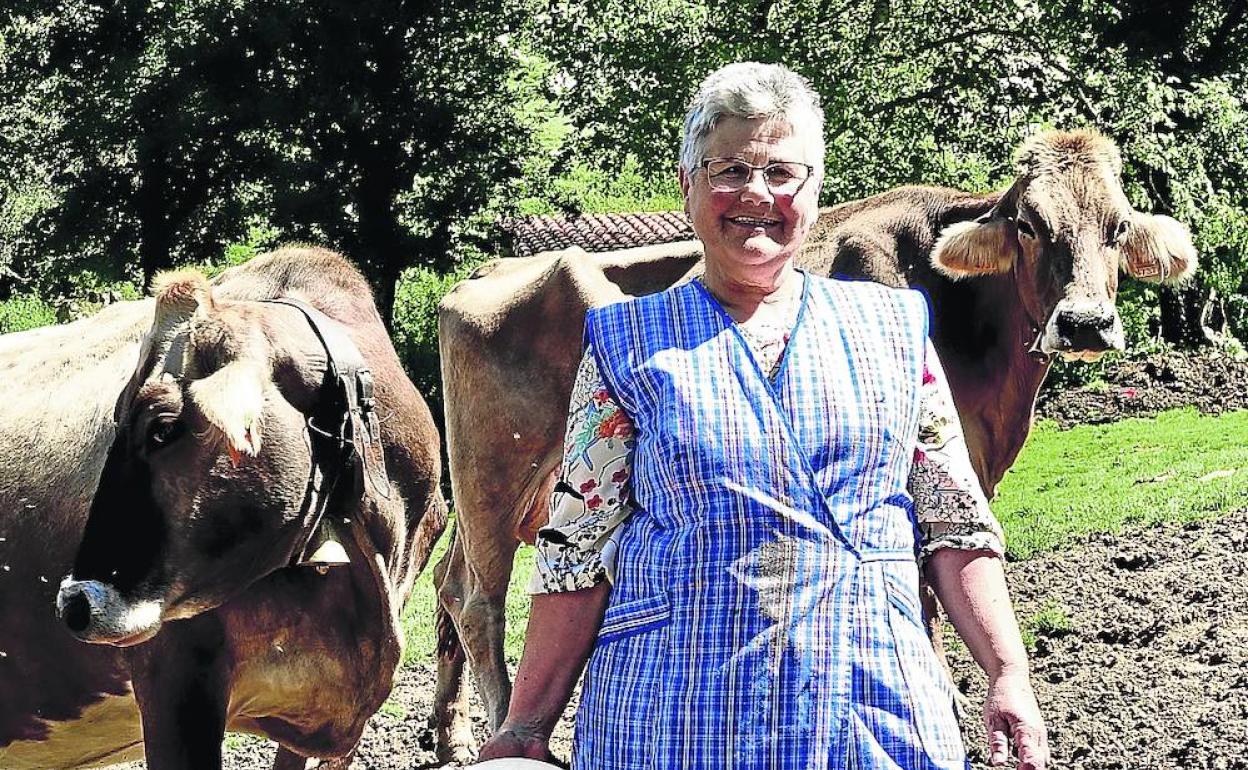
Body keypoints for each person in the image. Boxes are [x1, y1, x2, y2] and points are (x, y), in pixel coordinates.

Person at [479, 61, 1048, 770]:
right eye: (731, 170)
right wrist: (527, 724)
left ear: (813, 191)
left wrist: (1007, 675)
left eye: (783, 173)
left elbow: (954, 521)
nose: (757, 194)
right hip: (673, 719)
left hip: (868, 708)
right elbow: (578, 552)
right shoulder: (628, 345)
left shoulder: (894, 330)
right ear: (688, 184)